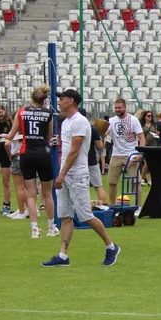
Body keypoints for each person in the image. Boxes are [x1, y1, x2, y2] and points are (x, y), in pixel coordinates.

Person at [42, 89, 120, 267]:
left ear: (71, 101)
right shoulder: (66, 122)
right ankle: (63, 255)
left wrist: (61, 174)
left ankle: (111, 246)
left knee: (85, 215)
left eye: (62, 99)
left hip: (77, 174)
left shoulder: (79, 121)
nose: (59, 102)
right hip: (66, 173)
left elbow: (75, 151)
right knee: (65, 215)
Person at [6, 85, 58, 239]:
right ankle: (50, 227)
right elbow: (49, 137)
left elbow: (11, 135)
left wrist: (3, 136)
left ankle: (34, 230)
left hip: (26, 153)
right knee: (47, 193)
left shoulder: (21, 112)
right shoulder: (48, 113)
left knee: (30, 193)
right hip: (42, 153)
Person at [107, 98, 145, 206]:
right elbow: (105, 134)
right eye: (116, 108)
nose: (117, 110)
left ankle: (138, 206)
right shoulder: (112, 120)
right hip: (116, 154)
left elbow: (142, 138)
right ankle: (112, 205)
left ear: (124, 107)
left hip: (131, 153)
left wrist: (139, 153)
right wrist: (101, 132)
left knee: (135, 182)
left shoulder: (133, 120)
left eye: (119, 107)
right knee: (111, 181)